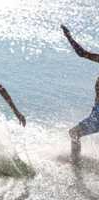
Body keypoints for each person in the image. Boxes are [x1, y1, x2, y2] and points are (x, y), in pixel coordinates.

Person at [61, 24, 99, 161]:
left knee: (74, 132)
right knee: (74, 133)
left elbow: (83, 54)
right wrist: (69, 37)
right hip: (96, 111)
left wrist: (69, 37)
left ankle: (75, 164)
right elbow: (82, 53)